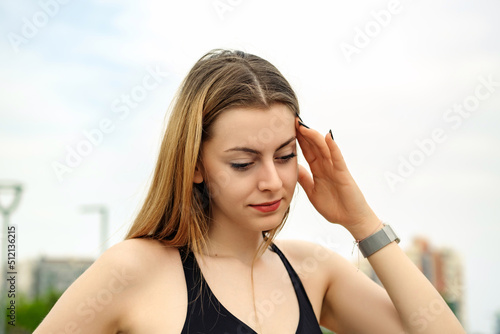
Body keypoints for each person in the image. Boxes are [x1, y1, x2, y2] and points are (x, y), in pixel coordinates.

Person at [34, 49, 465, 334]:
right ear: (196, 165)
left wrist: (361, 221)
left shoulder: (314, 272)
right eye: (243, 162)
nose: (272, 182)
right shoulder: (135, 269)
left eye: (284, 156)